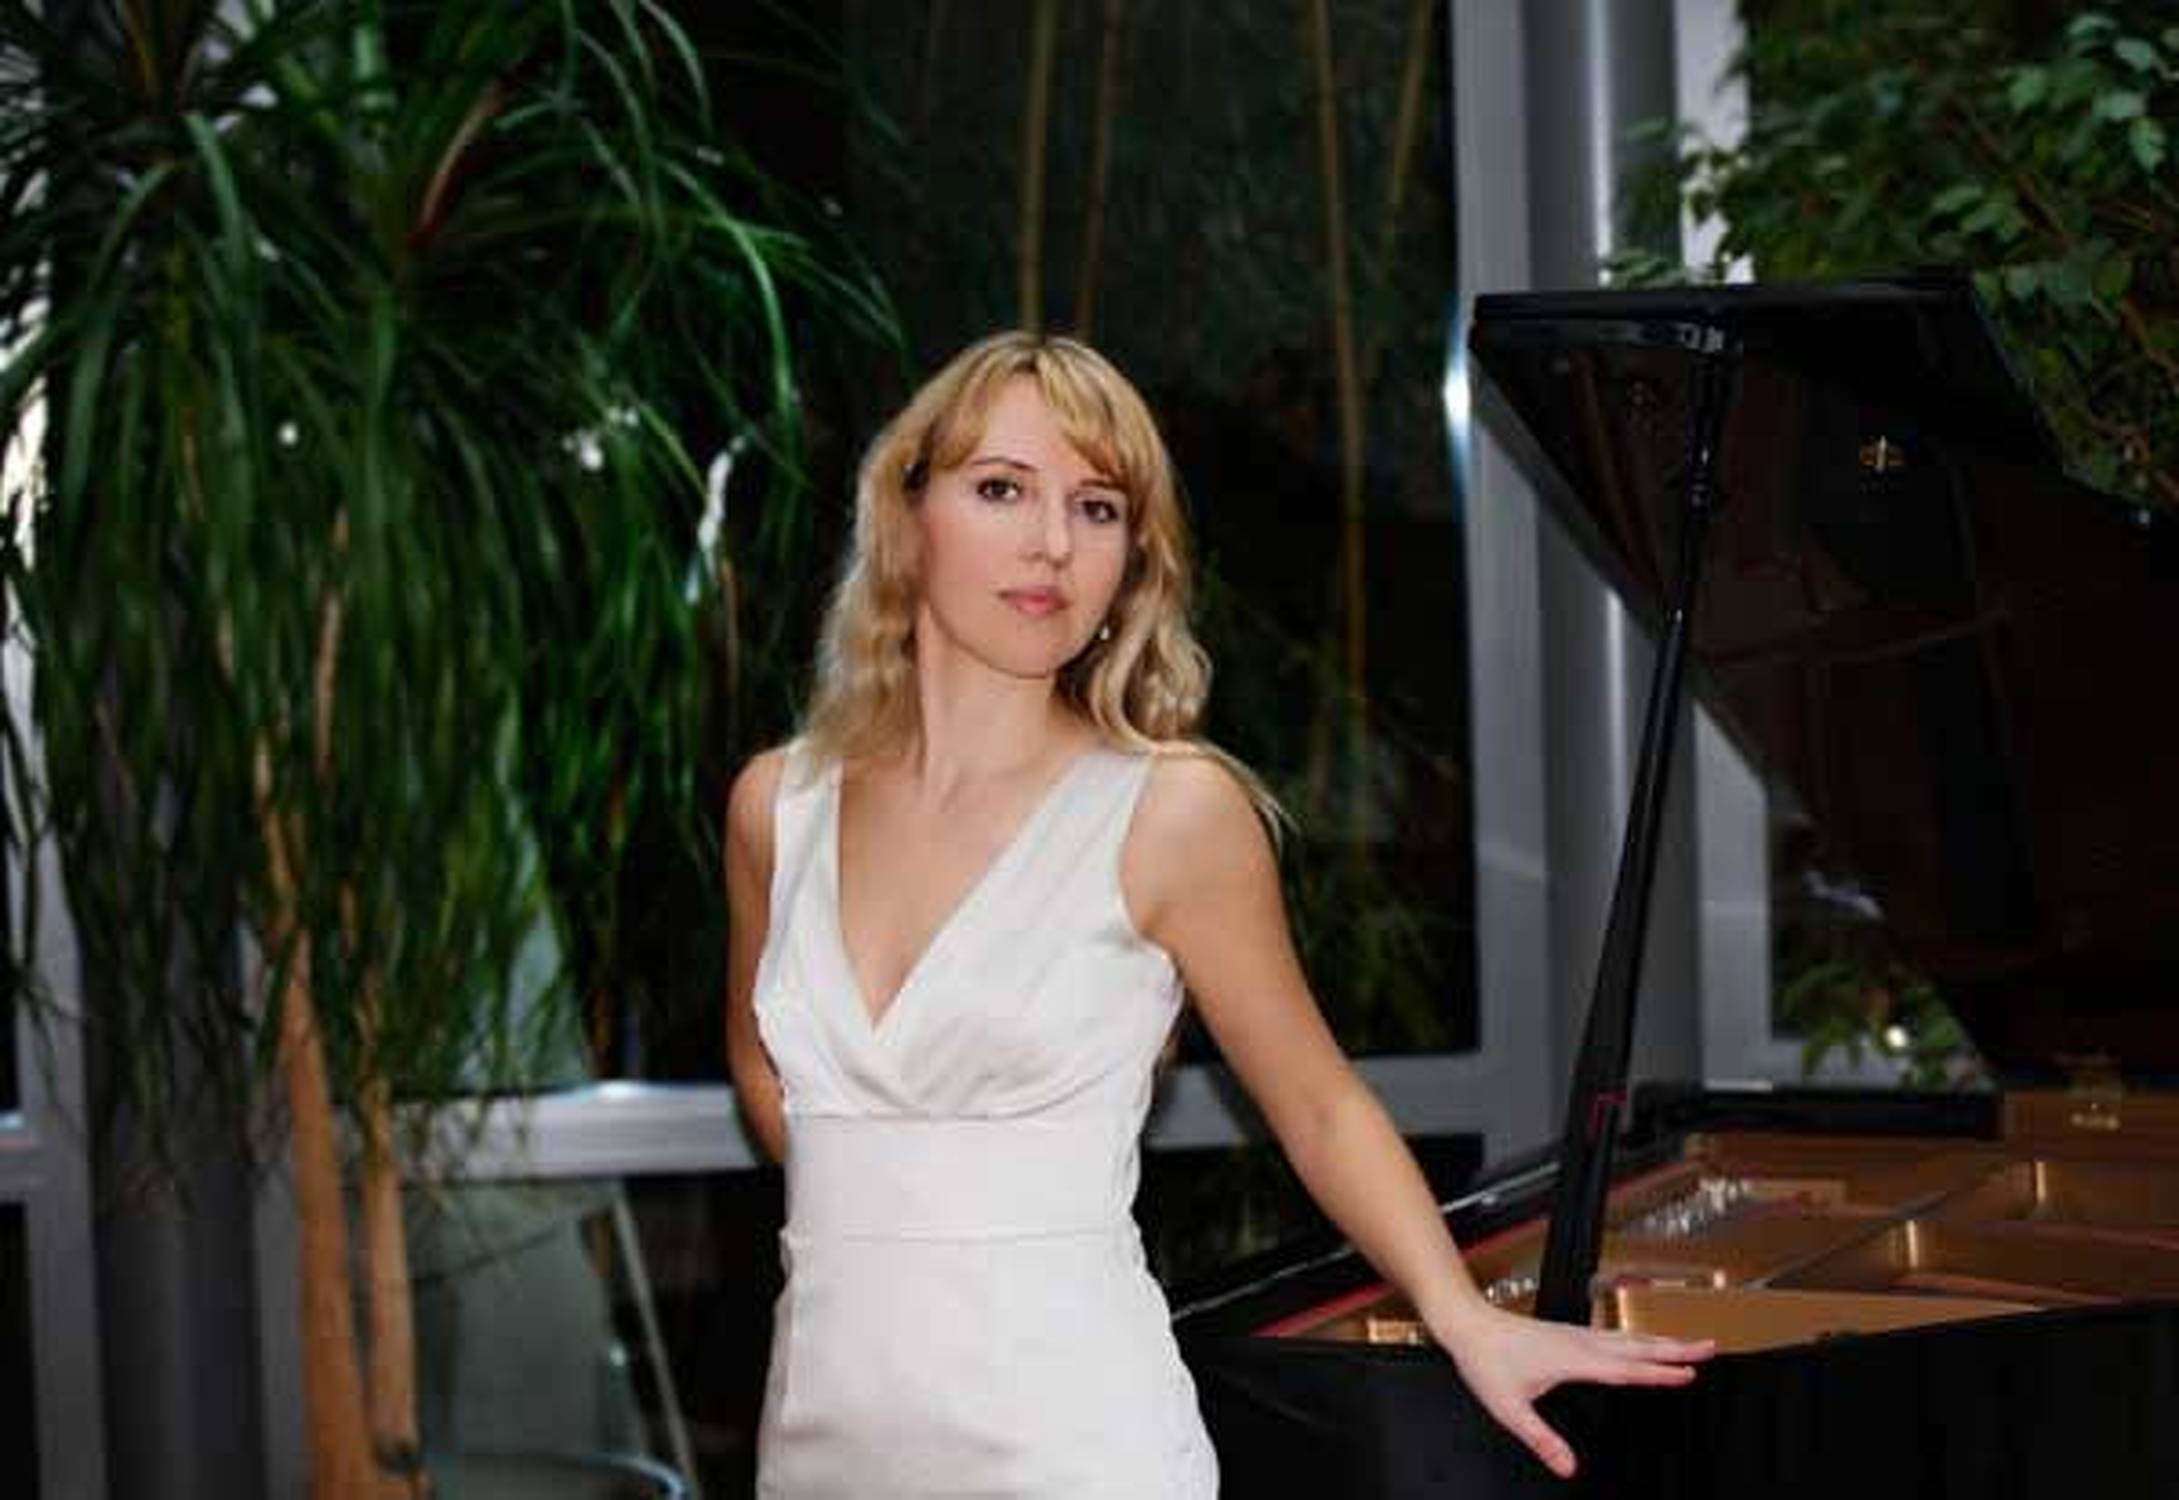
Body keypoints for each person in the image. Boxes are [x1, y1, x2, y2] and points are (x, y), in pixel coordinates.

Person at [723, 331, 1712, 1497]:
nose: (1052, 543)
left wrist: (1462, 1316)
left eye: (1097, 508)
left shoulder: (1171, 812)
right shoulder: (776, 806)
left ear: (1131, 563)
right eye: (1001, 489)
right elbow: (765, 1074)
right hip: (821, 1440)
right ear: (906, 515)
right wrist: (899, 1221)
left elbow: (1318, 1105)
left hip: (1070, 1444)